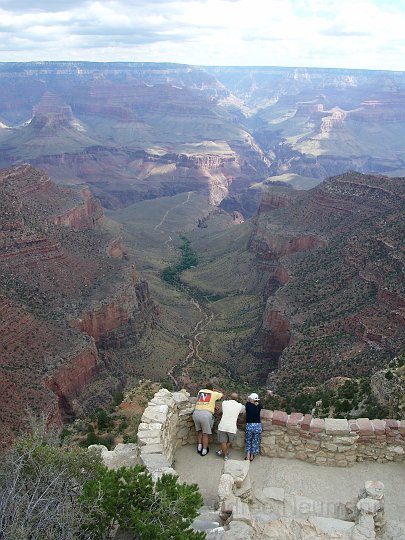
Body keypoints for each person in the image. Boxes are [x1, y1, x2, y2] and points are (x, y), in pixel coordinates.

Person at [192, 383, 223, 456]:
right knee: (205, 433)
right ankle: (204, 450)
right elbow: (222, 394)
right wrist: (215, 390)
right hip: (205, 415)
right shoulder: (214, 393)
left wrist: (213, 405)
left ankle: (199, 446)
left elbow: (205, 401)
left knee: (199, 431)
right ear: (212, 389)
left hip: (196, 413)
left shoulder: (200, 391)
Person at [216, 392, 244, 460]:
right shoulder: (240, 405)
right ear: (237, 399)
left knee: (223, 442)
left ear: (230, 397)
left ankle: (222, 452)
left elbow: (220, 410)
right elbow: (242, 412)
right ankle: (225, 454)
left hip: (223, 425)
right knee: (229, 442)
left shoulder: (224, 403)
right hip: (232, 427)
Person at [244, 392, 262, 461]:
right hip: (258, 426)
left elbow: (248, 401)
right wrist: (255, 401)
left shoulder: (248, 405)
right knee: (255, 441)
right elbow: (258, 404)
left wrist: (250, 400)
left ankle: (248, 456)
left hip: (249, 425)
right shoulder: (259, 406)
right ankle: (252, 456)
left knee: (248, 440)